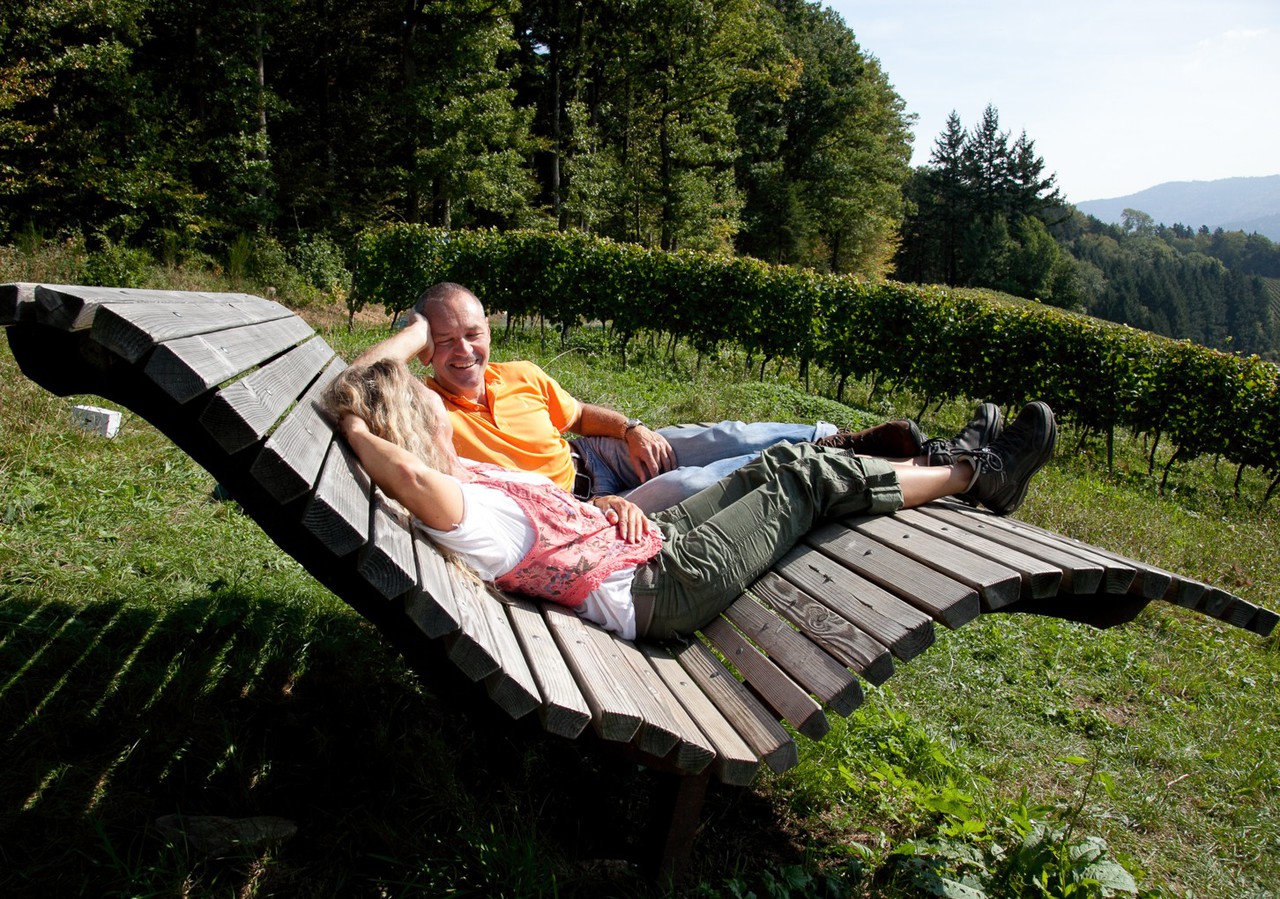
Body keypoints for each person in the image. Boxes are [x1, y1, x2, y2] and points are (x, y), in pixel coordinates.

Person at [321, 359, 1057, 640]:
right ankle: (973, 474)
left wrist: (604, 510)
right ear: (408, 434)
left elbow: (539, 519)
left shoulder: (469, 480)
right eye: (429, 410)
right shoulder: (455, 504)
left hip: (635, 540)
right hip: (657, 586)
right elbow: (410, 477)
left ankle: (939, 461)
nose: (443, 414)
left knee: (775, 459)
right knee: (804, 479)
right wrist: (355, 423)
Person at [352, 282, 936, 513]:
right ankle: (831, 462)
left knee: (718, 437)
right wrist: (415, 330)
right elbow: (354, 385)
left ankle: (836, 438)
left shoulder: (519, 373)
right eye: (444, 340)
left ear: (489, 332)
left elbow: (580, 416)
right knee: (690, 485)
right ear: (423, 350)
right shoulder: (424, 407)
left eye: (473, 334)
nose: (464, 351)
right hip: (578, 509)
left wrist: (631, 429)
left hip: (592, 456)